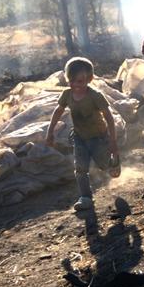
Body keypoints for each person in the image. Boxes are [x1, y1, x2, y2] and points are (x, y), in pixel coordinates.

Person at [44, 57, 118, 213]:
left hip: (98, 136)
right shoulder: (67, 94)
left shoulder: (95, 96)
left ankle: (112, 163)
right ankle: (85, 197)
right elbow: (58, 111)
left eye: (79, 81)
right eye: (71, 80)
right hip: (79, 137)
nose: (75, 85)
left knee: (102, 164)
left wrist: (112, 141)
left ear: (89, 80)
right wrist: (50, 132)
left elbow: (109, 117)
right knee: (80, 168)